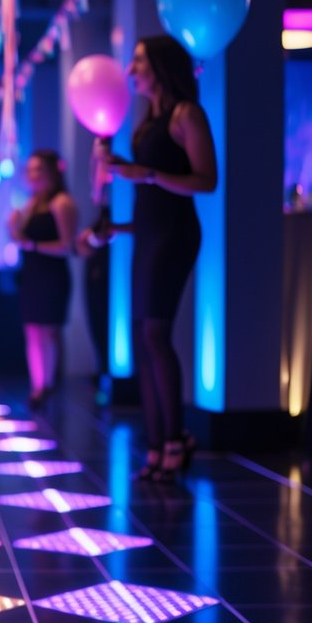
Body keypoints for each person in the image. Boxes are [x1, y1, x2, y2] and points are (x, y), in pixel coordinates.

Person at [93, 34, 217, 481]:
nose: (130, 71)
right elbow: (148, 192)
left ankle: (175, 438)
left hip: (176, 234)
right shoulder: (148, 121)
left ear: (162, 66)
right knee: (144, 338)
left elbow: (206, 181)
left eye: (139, 61)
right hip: (147, 235)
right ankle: (157, 440)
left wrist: (144, 172)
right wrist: (118, 226)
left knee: (156, 336)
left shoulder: (188, 115)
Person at [9, 150, 78, 408]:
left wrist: (34, 246)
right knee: (32, 331)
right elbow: (21, 241)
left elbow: (67, 245)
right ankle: (37, 385)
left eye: (38, 169)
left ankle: (49, 384)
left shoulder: (61, 203)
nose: (32, 175)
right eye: (30, 169)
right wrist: (13, 227)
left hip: (52, 274)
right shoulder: (30, 204)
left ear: (51, 171)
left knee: (49, 331)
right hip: (31, 274)